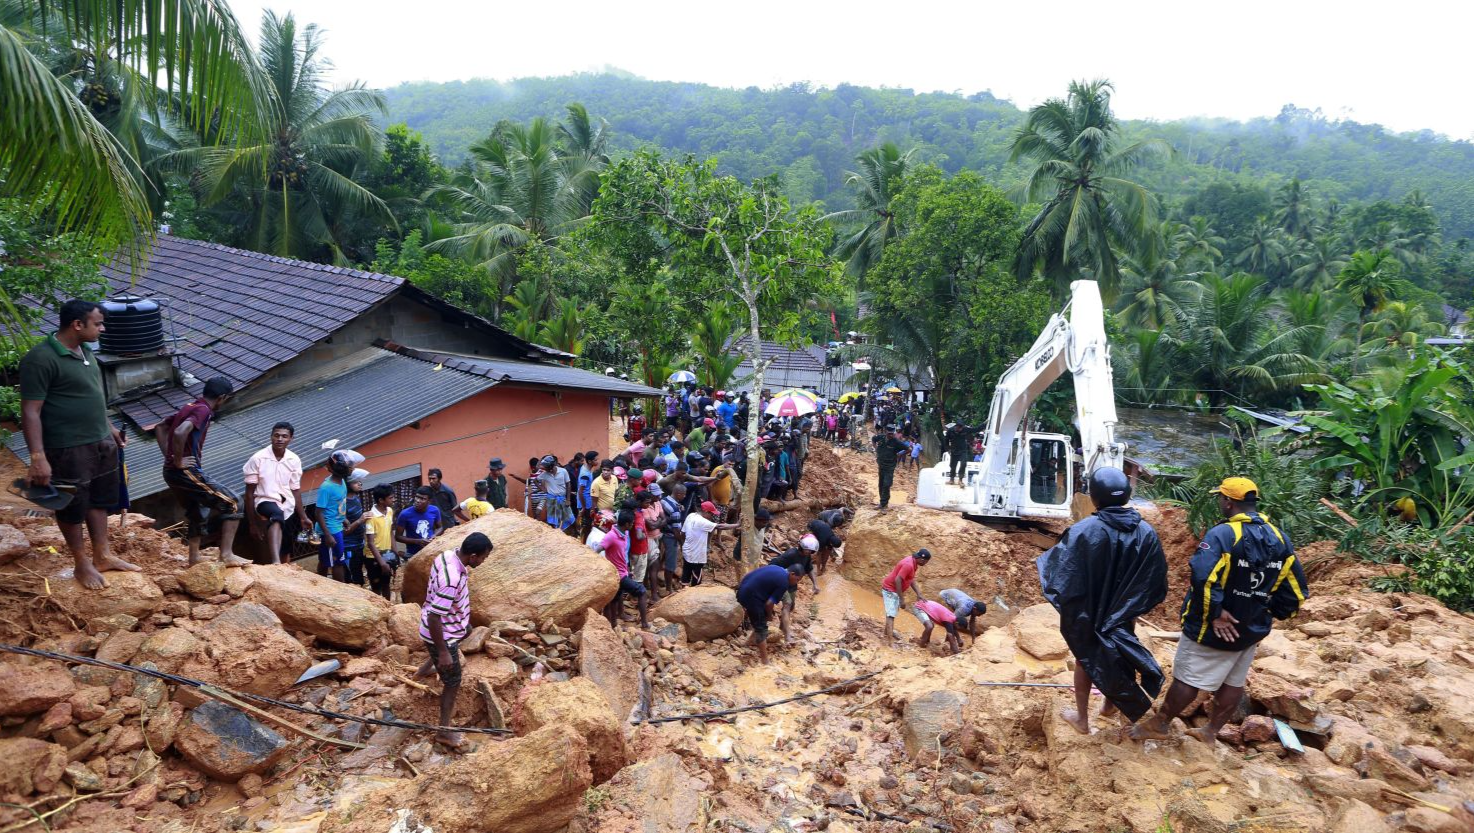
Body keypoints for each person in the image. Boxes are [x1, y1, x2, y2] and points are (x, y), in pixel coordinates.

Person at [1132, 477, 1308, 744]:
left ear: (1228, 501)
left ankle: (1161, 723)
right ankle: (1211, 731)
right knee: (1233, 682)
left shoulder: (1223, 535)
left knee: (1187, 679)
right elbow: (1295, 590)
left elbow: (1203, 576)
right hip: (1250, 628)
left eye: (1221, 498)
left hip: (1214, 628)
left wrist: (1215, 613)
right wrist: (1265, 611)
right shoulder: (1279, 538)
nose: (1220, 502)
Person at [18, 299, 139, 589]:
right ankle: (81, 563)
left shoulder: (85, 351)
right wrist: (38, 457)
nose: (102, 328)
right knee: (71, 504)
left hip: (100, 442)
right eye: (98, 324)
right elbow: (30, 412)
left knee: (99, 500)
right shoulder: (40, 359)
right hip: (68, 448)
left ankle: (103, 555)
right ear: (77, 325)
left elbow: (93, 396)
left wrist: (109, 428)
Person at [1038, 466, 1168, 734]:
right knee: (1118, 652)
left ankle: (1082, 719)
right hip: (1124, 613)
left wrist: (1076, 609)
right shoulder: (1146, 532)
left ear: (1094, 497)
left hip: (1089, 612)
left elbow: (1063, 575)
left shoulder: (1084, 531)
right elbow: (1155, 579)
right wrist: (1130, 606)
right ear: (1127, 495)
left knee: (1087, 658)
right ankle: (1109, 707)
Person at [157, 376, 249, 568]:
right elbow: (181, 432)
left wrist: (170, 458)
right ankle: (226, 554)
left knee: (197, 509)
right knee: (234, 503)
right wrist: (178, 460)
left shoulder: (190, 405)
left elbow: (161, 427)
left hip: (171, 472)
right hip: (184, 471)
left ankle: (193, 558)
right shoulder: (203, 410)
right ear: (222, 397)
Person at [414, 531, 493, 750]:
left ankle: (423, 671)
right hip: (441, 633)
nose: (484, 562)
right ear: (474, 556)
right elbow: (434, 617)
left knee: (461, 636)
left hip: (448, 626)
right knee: (452, 681)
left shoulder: (447, 555)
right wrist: (443, 652)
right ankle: (444, 732)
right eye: (484, 558)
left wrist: (462, 621)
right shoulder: (452, 580)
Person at [243, 422, 310, 564]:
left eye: (284, 436)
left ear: (291, 439)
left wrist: (303, 516)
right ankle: (275, 562)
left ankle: (284, 569)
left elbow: (295, 489)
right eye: (276, 435)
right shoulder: (258, 458)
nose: (280, 439)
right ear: (271, 437)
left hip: (287, 505)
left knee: (286, 545)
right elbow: (249, 493)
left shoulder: (294, 459)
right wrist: (252, 523)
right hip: (264, 500)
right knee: (276, 514)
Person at [591, 509, 649, 629]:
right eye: (632, 523)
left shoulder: (624, 533)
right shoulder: (611, 536)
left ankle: (613, 625)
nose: (633, 525)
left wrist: (628, 571)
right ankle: (644, 623)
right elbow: (597, 550)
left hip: (623, 573)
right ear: (627, 524)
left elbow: (622, 554)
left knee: (614, 600)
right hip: (618, 575)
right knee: (642, 592)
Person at [737, 564, 803, 664]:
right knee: (762, 627)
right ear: (792, 574)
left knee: (760, 617)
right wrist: (769, 615)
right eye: (797, 579)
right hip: (752, 597)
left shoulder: (777, 568)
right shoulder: (784, 582)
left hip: (742, 590)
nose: (796, 583)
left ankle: (750, 641)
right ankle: (765, 661)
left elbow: (749, 575)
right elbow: (769, 603)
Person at [312, 452, 353, 580]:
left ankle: (320, 583)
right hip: (330, 530)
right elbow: (318, 512)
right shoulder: (326, 487)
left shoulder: (342, 482)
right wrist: (328, 535)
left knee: (326, 559)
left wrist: (343, 518)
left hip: (336, 525)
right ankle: (338, 588)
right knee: (338, 562)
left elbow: (337, 504)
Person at [680, 500, 739, 586]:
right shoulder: (702, 521)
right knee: (696, 580)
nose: (712, 516)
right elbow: (720, 526)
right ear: (706, 511)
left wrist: (684, 545)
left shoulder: (691, 515)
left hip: (687, 552)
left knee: (686, 576)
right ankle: (693, 595)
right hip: (696, 556)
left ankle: (682, 594)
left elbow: (683, 533)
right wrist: (737, 525)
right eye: (711, 514)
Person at [881, 548, 931, 642]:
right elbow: (898, 580)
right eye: (926, 562)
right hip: (890, 589)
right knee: (891, 615)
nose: (925, 564)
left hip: (894, 590)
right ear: (922, 560)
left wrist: (919, 593)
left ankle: (887, 633)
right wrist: (901, 599)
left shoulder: (914, 563)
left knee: (891, 613)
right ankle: (890, 643)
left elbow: (910, 579)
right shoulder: (909, 565)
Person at [363, 484, 397, 599]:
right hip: (373, 557)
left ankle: (388, 607)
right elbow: (370, 543)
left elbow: (390, 532)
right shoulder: (371, 518)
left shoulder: (390, 511)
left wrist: (395, 552)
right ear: (381, 500)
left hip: (386, 554)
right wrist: (382, 562)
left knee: (386, 584)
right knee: (376, 587)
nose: (394, 500)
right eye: (391, 498)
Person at [341, 470, 371, 585]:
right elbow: (342, 532)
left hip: (359, 545)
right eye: (355, 482)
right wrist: (360, 521)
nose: (359, 484)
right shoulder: (343, 503)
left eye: (359, 482)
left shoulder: (356, 497)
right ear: (347, 484)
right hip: (348, 547)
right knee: (352, 581)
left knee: (359, 575)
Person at [396, 485, 442, 558]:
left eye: (422, 499)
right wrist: (417, 541)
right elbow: (398, 537)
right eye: (417, 497)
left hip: (431, 551)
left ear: (429, 501)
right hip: (413, 554)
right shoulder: (405, 514)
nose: (418, 501)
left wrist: (434, 536)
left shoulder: (435, 510)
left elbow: (440, 527)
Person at [873, 426, 909, 512]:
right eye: (889, 434)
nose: (890, 435)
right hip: (881, 464)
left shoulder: (896, 442)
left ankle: (884, 505)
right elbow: (873, 439)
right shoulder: (880, 437)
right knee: (881, 484)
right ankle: (882, 503)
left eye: (892, 434)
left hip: (890, 466)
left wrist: (899, 454)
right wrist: (875, 448)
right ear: (885, 432)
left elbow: (909, 449)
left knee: (887, 484)